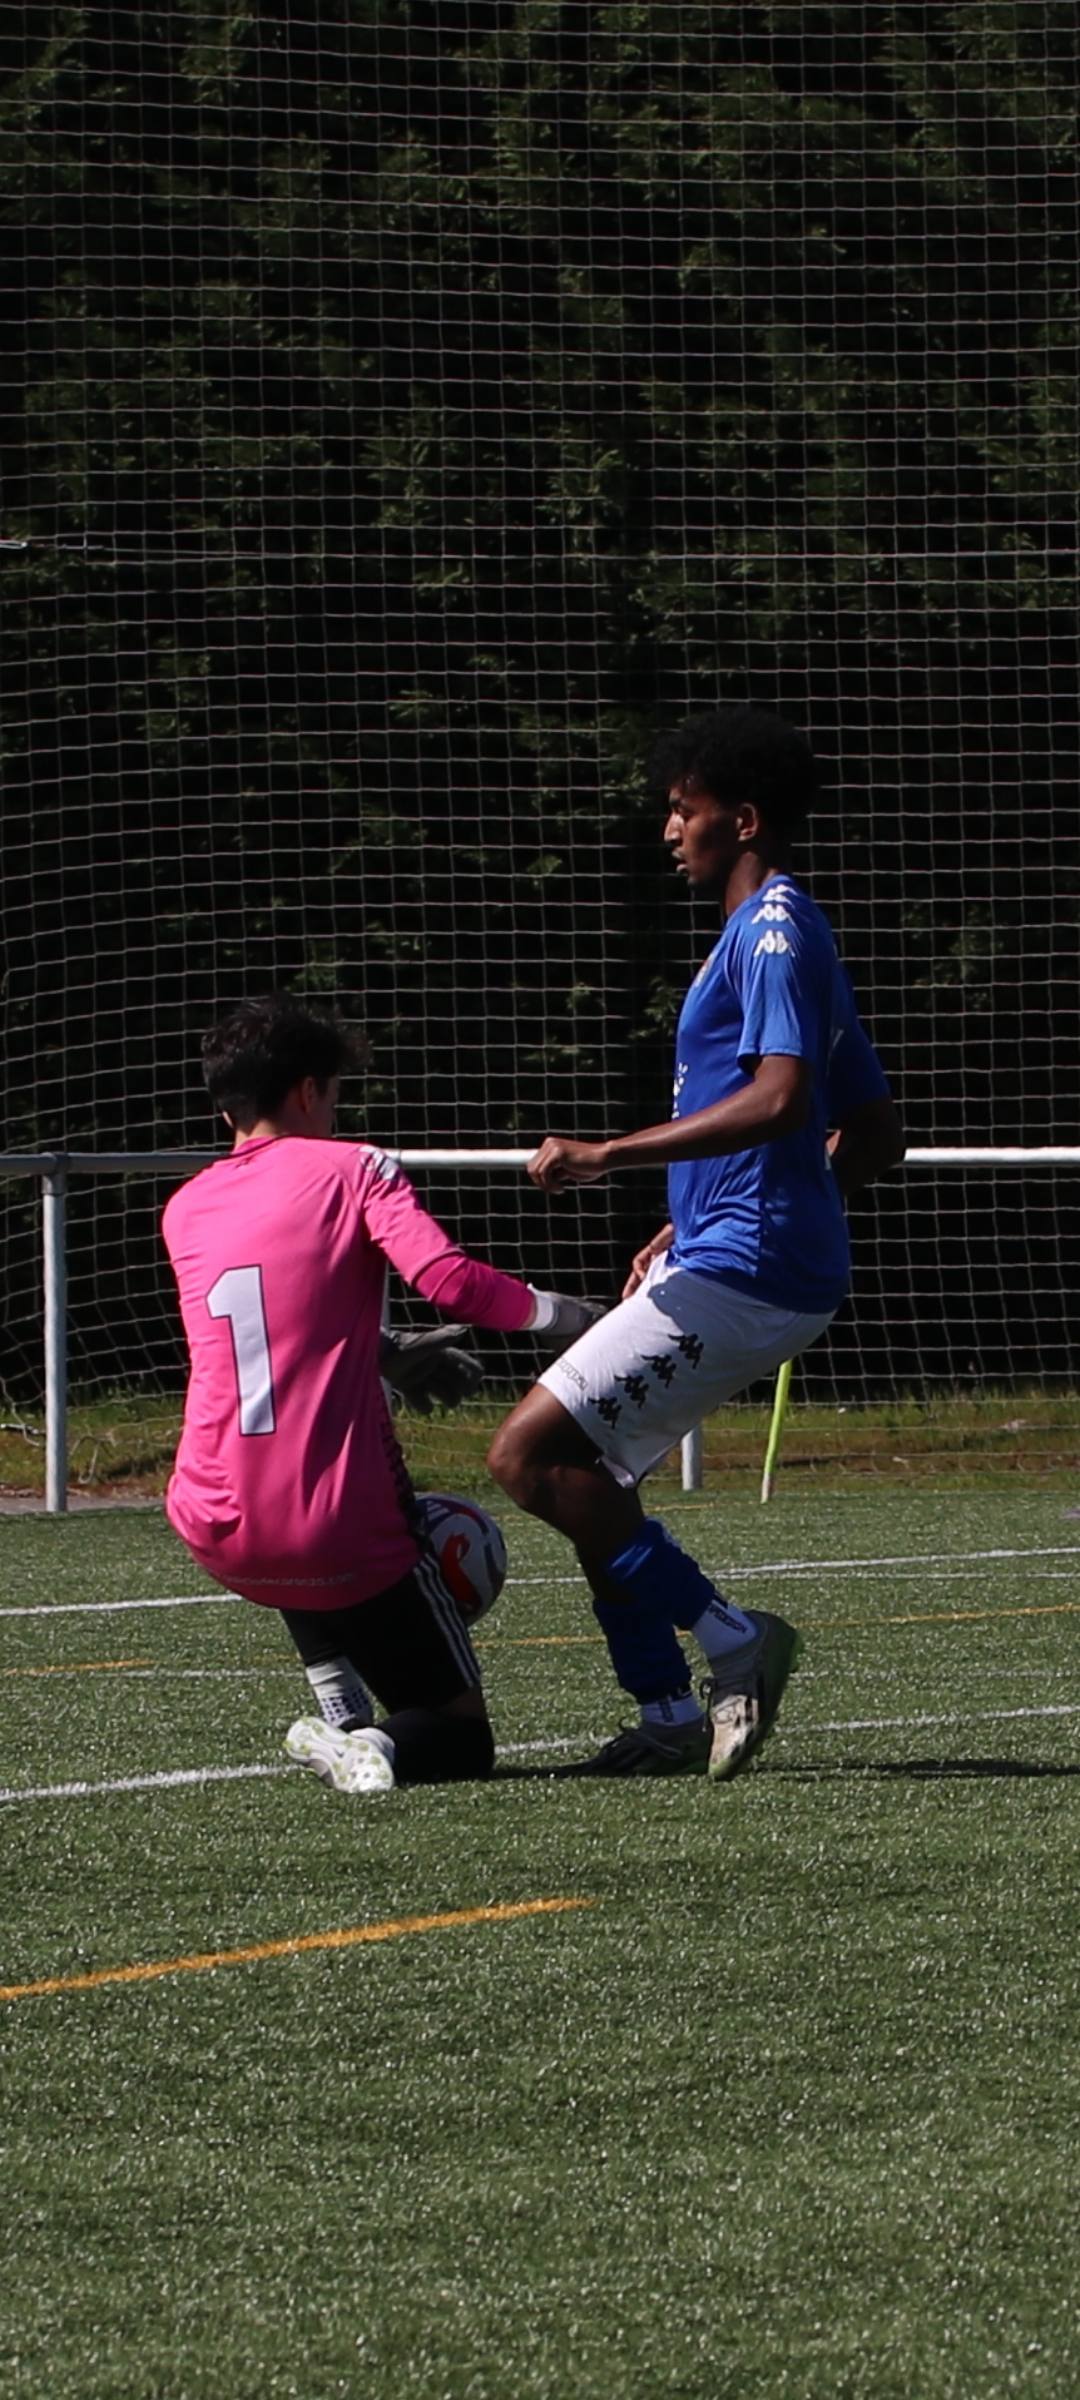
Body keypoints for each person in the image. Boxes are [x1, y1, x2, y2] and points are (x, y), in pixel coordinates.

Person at [488, 706, 904, 1779]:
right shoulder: (780, 933)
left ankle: (734, 1640)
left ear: (743, 819)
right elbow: (875, 1131)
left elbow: (781, 1098)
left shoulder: (772, 930)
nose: (670, 830)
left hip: (751, 1266)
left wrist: (610, 1154)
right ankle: (668, 1712)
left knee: (526, 1457)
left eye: (685, 809)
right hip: (747, 1247)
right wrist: (721, 1202)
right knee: (589, 1473)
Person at [161, 993, 599, 1797]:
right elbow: (449, 1282)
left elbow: (258, 1335)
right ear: (307, 1092)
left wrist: (383, 1353)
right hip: (332, 1528)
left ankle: (337, 1701)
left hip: (212, 1520)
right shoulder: (354, 1166)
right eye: (332, 1094)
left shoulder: (185, 1207)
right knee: (461, 1739)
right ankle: (374, 1741)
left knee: (282, 1496)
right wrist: (567, 1317)